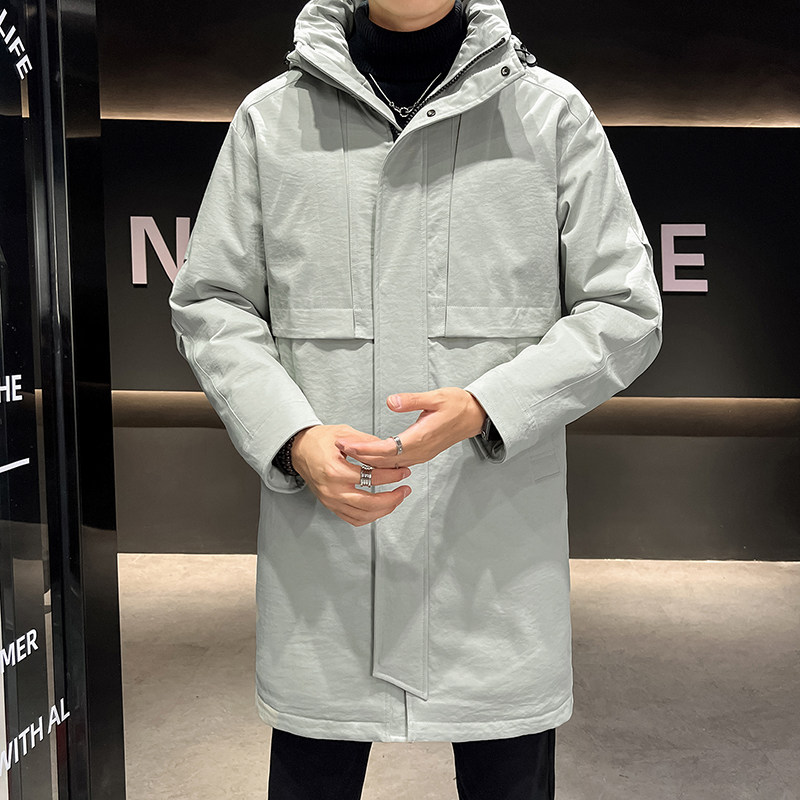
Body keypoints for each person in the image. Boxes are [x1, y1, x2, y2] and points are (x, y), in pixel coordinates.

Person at [168, 0, 663, 796]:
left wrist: (490, 405)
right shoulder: (271, 121)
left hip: (491, 552)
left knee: (508, 773)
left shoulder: (549, 116)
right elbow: (213, 303)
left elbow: (624, 309)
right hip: (328, 551)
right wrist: (291, 437)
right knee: (312, 774)